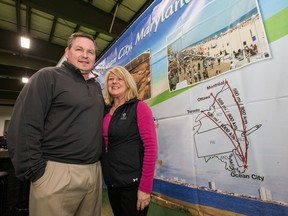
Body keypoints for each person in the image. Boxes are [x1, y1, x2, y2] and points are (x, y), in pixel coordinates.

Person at [7, 32, 104, 216]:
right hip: (56, 174)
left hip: (93, 173)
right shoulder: (47, 77)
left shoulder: (95, 86)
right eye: (79, 49)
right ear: (67, 52)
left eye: (90, 52)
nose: (85, 55)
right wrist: (36, 172)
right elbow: (25, 124)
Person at [101, 66, 158, 216]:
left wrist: (145, 188)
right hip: (113, 184)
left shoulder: (139, 107)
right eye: (110, 79)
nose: (114, 82)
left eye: (119, 79)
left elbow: (151, 148)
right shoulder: (105, 112)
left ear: (127, 83)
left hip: (133, 185)